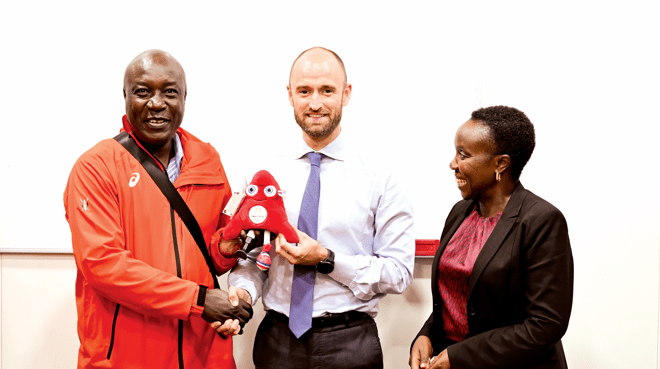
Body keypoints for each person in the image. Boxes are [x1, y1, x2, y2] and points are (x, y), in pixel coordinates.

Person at [223, 47, 415, 368]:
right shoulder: (262, 171)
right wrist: (242, 294)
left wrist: (327, 259)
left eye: (327, 90)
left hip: (350, 341)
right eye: (304, 91)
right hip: (276, 340)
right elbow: (254, 256)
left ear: (346, 94)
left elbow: (399, 273)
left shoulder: (382, 174)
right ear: (290, 95)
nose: (315, 103)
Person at [63, 49, 251, 369]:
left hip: (203, 356)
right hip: (126, 358)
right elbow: (103, 264)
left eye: (169, 92)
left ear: (184, 98)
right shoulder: (96, 167)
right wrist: (200, 301)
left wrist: (226, 248)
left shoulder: (207, 159)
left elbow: (209, 258)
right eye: (142, 91)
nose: (156, 103)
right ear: (125, 96)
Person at [409, 106, 574, 369]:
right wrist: (427, 334)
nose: (453, 163)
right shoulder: (460, 212)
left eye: (463, 155)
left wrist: (461, 356)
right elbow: (459, 299)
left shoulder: (541, 220)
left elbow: (546, 324)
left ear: (501, 163)